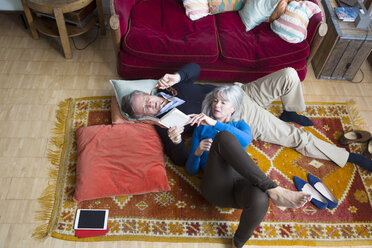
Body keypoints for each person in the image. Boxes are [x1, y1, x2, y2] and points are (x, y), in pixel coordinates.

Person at [121, 63, 372, 171]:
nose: (150, 103)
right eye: (144, 108)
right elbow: (179, 159)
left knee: (289, 75)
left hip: (239, 90)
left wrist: (177, 75)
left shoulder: (169, 87)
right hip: (236, 112)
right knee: (297, 137)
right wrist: (176, 141)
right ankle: (350, 157)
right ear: (142, 116)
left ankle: (290, 110)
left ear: (148, 92)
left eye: (145, 98)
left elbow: (195, 68)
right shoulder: (165, 125)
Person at [185, 85, 311, 248]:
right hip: (215, 187)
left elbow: (245, 140)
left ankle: (237, 243)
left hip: (240, 187)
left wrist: (215, 123)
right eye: (216, 101)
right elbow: (191, 170)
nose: (217, 105)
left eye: (224, 102)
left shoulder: (242, 127)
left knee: (261, 198)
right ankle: (274, 189)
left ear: (234, 107)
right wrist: (197, 152)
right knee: (223, 137)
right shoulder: (202, 128)